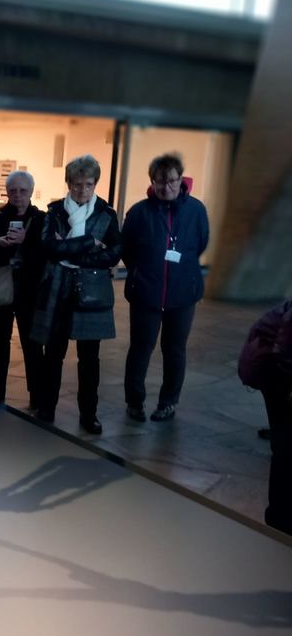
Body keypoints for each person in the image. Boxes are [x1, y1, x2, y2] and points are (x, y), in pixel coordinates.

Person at [30, 154, 121, 434]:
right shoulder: (55, 212)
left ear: (95, 184)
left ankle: (89, 415)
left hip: (91, 291)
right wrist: (89, 242)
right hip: (58, 289)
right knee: (53, 354)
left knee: (90, 359)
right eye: (77, 184)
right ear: (68, 183)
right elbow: (49, 248)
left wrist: (70, 251)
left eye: (88, 184)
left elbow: (113, 255)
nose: (82, 190)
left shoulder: (106, 214)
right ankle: (47, 407)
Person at [121, 153, 209, 422]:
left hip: (183, 295)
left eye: (171, 180)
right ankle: (134, 402)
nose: (166, 187)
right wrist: (142, 273)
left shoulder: (196, 210)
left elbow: (201, 243)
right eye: (159, 181)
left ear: (181, 179)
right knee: (140, 349)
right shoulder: (139, 212)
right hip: (146, 293)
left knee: (175, 351)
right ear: (152, 182)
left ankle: (168, 402)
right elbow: (127, 249)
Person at [0, 169, 45, 407]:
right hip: (1, 287)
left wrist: (27, 240)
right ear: (6, 192)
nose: (18, 195)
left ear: (31, 192)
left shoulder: (42, 219)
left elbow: (48, 254)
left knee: (32, 344)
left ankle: (36, 393)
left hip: (30, 290)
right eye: (13, 190)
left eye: (23, 190)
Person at [238, 299, 292, 535]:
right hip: (276, 369)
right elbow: (286, 347)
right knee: (285, 451)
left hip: (279, 365)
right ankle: (279, 523)